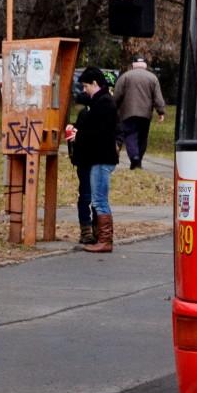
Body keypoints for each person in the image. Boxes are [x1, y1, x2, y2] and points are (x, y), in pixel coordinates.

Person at [67, 67, 120, 254]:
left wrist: (78, 136)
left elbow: (97, 133)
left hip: (100, 158)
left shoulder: (103, 104)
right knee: (98, 199)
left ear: (95, 84)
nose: (84, 90)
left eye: (86, 86)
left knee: (99, 200)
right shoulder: (103, 102)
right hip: (101, 157)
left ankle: (105, 240)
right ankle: (103, 238)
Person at [111, 56, 166, 171]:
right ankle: (138, 160)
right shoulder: (152, 78)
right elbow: (158, 97)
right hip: (145, 114)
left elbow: (117, 95)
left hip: (128, 112)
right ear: (145, 65)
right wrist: (161, 111)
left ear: (133, 64)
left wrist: (113, 108)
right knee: (142, 137)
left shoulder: (125, 77)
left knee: (130, 135)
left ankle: (134, 158)